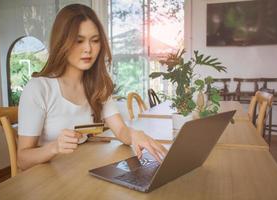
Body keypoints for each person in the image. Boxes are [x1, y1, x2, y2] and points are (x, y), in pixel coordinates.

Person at [17, 4, 167, 170]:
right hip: (49, 179)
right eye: (79, 41)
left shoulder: (98, 85)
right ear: (62, 42)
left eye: (95, 41)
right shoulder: (39, 88)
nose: (88, 49)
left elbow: (121, 131)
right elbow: (22, 160)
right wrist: (54, 147)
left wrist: (135, 135)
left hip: (82, 170)